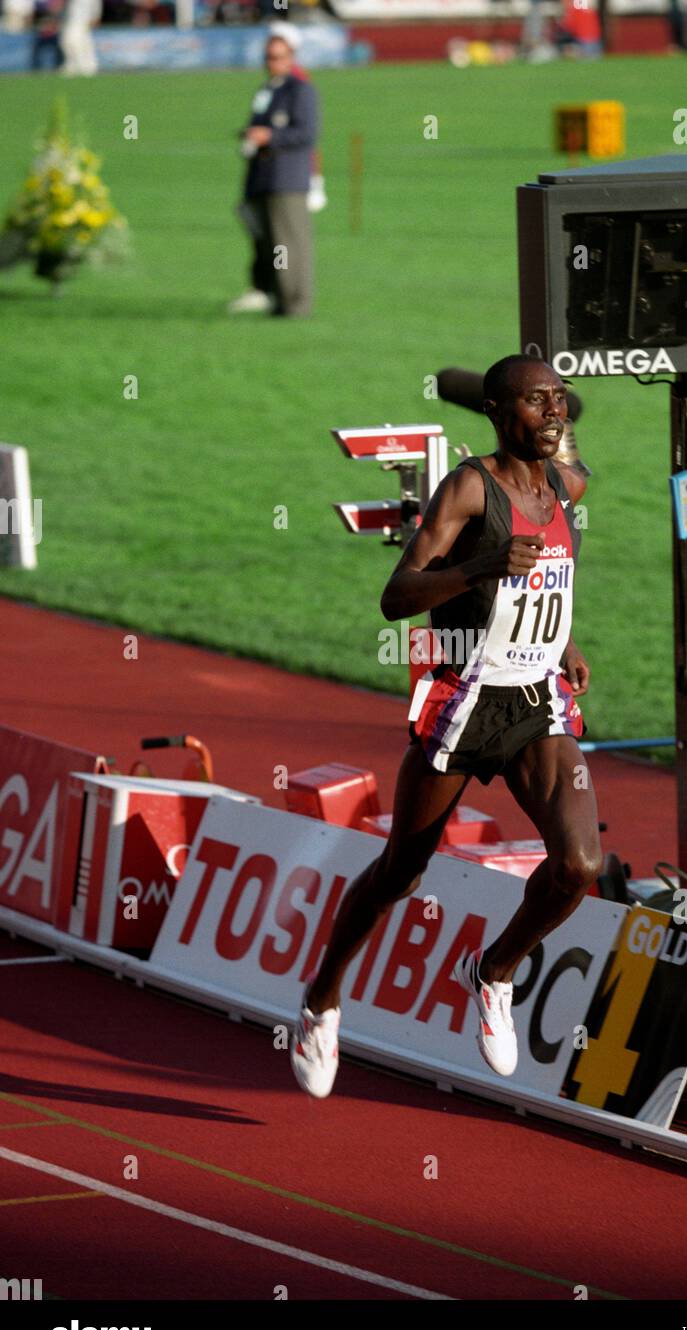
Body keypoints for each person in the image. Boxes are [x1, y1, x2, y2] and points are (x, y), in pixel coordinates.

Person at [291, 355, 602, 1098]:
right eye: (537, 404)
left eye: (558, 402)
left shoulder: (565, 483)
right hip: (462, 699)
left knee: (579, 866)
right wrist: (483, 563)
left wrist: (562, 642)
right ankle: (321, 998)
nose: (555, 413)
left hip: (535, 701)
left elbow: (548, 581)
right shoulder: (468, 488)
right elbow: (396, 599)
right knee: (403, 868)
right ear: (500, 413)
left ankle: (492, 971)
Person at [228, 23, 318, 317]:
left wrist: (270, 136)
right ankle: (278, 298)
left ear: (291, 56)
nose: (272, 63)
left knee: (289, 245)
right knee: (270, 245)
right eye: (268, 57)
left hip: (287, 179)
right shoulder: (267, 90)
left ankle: (296, 302)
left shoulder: (301, 90)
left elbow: (307, 134)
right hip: (263, 177)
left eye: (278, 57)